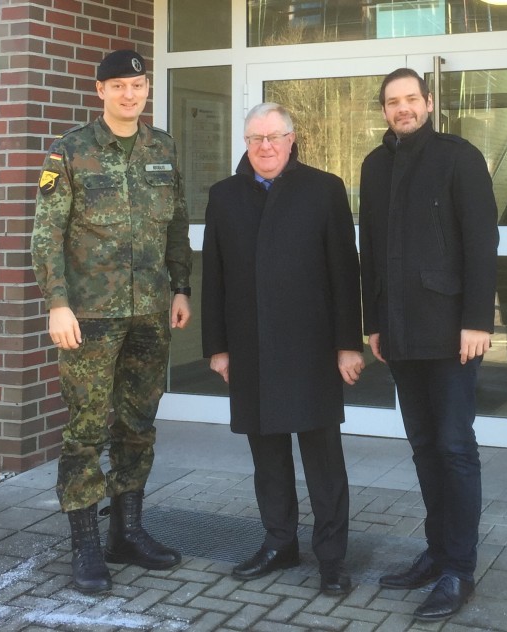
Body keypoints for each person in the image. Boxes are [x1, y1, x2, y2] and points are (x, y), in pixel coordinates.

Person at [30, 49, 192, 594]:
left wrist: (181, 286)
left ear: (147, 90)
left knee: (138, 423)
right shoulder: (70, 151)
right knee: (86, 429)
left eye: (138, 85)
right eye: (118, 85)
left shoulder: (162, 148)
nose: (130, 94)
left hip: (149, 309)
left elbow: (177, 223)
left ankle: (128, 532)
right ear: (100, 91)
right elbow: (46, 235)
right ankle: (85, 546)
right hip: (89, 316)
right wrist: (57, 303)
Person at [201, 102, 364, 596]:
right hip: (249, 347)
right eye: (255, 139)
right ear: (245, 143)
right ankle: (279, 541)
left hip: (312, 346)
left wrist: (347, 345)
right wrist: (218, 349)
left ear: (292, 140)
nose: (264, 147)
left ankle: (332, 557)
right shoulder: (224, 196)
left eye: (274, 137)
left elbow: (344, 273)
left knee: (323, 458)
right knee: (267, 454)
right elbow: (214, 276)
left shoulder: (324, 189)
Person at [359, 69, 499, 621]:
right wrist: (374, 324)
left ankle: (458, 571)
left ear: (429, 102)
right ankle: (437, 552)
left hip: (450, 332)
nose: (403, 109)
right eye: (393, 102)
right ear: (385, 110)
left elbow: (482, 242)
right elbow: (369, 247)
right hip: (398, 332)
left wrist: (476, 320)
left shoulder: (458, 157)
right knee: (422, 446)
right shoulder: (374, 165)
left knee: (454, 447)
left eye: (411, 99)